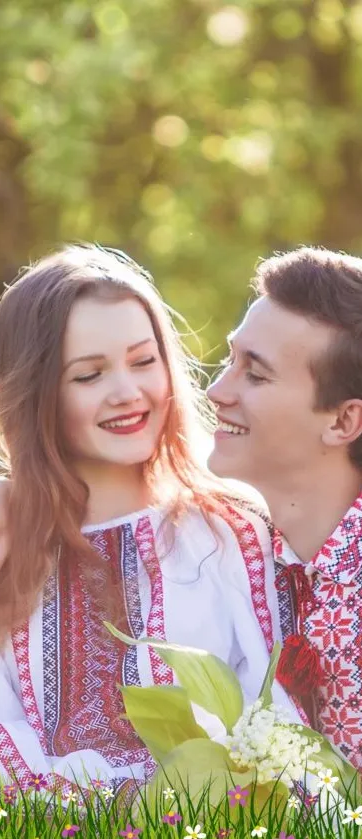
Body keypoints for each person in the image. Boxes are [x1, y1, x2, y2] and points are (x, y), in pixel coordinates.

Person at [0, 244, 297, 797]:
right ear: (35, 395)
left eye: (144, 361)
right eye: (89, 375)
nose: (128, 392)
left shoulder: (233, 530)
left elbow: (282, 712)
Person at [207, 246, 362, 770]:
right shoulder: (215, 550)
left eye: (256, 374)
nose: (215, 390)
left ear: (343, 422)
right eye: (231, 360)